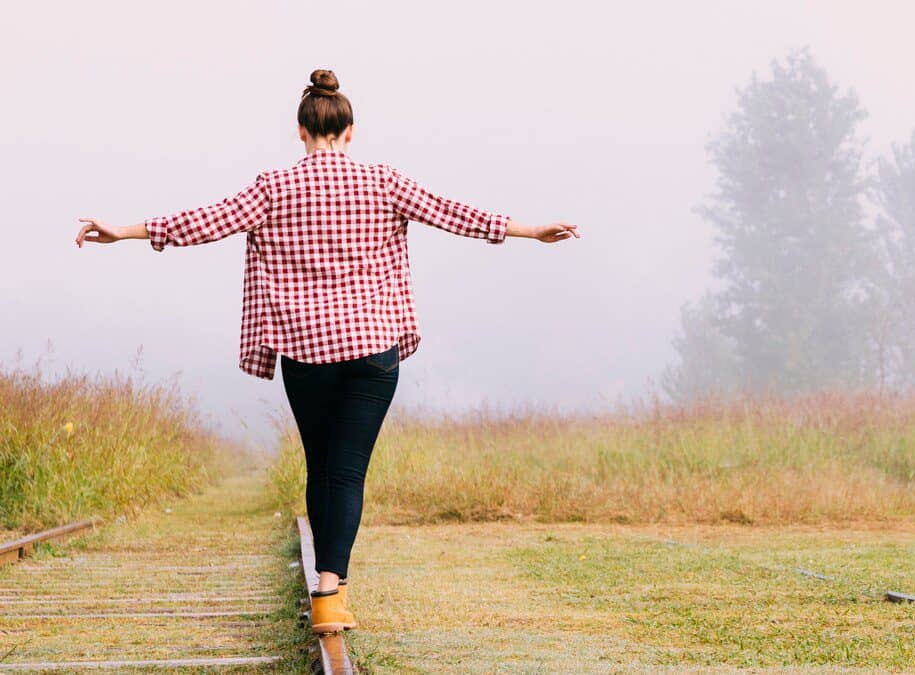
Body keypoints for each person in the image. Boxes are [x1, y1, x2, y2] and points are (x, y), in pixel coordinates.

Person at [74, 68, 579, 633]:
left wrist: (123, 231)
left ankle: (327, 588)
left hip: (305, 351)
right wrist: (531, 230)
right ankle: (330, 592)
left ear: (300, 131)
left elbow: (202, 223)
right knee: (348, 473)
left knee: (321, 466)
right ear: (350, 131)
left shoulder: (272, 187)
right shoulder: (382, 181)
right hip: (372, 349)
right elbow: (455, 213)